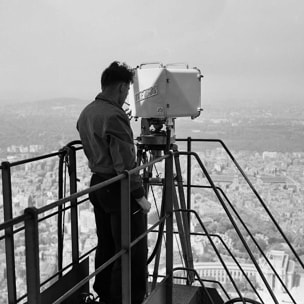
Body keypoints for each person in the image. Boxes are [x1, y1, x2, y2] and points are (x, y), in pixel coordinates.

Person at [77, 61, 151, 304]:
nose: (126, 97)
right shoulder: (115, 116)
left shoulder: (87, 111)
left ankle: (105, 292)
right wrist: (139, 195)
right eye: (127, 91)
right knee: (132, 248)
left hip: (97, 184)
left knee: (107, 244)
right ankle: (127, 298)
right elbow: (126, 163)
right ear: (121, 88)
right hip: (118, 188)